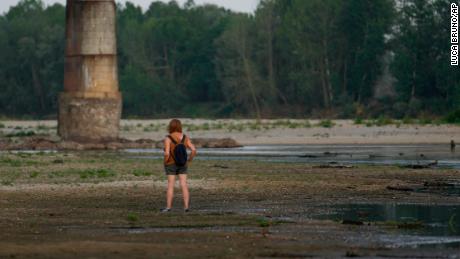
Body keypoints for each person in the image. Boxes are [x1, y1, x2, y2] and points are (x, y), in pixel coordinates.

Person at [161, 119, 197, 212]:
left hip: (171, 164)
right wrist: (189, 160)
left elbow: (167, 154)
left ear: (170, 127)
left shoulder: (168, 138)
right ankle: (186, 207)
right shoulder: (185, 137)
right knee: (184, 184)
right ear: (180, 126)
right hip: (183, 163)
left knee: (170, 185)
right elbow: (193, 150)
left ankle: (168, 207)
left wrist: (165, 162)